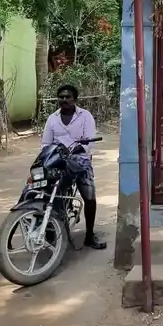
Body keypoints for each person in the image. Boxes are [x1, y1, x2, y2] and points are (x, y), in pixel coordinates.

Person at [41, 84, 106, 250]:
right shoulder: (52, 119)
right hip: (58, 161)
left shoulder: (85, 116)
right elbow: (46, 144)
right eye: (61, 97)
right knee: (51, 194)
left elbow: (89, 142)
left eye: (68, 97)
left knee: (89, 197)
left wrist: (74, 149)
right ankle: (54, 231)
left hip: (80, 161)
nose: (64, 100)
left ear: (74, 99)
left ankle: (89, 236)